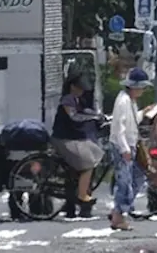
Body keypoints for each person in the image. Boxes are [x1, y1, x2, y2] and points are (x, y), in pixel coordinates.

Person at [51, 71, 105, 218]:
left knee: (94, 152)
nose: (82, 91)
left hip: (72, 138)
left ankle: (77, 197)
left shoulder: (77, 99)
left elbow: (85, 111)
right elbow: (74, 116)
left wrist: (99, 115)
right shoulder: (67, 100)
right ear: (72, 87)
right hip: (63, 139)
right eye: (79, 88)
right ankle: (82, 195)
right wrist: (93, 117)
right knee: (87, 163)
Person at [109, 68, 155, 230]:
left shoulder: (130, 101)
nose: (142, 91)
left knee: (137, 177)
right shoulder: (123, 102)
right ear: (134, 87)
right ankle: (119, 216)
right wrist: (124, 149)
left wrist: (144, 112)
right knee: (124, 182)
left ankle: (119, 210)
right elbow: (118, 128)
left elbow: (132, 120)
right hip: (124, 146)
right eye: (141, 87)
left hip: (130, 144)